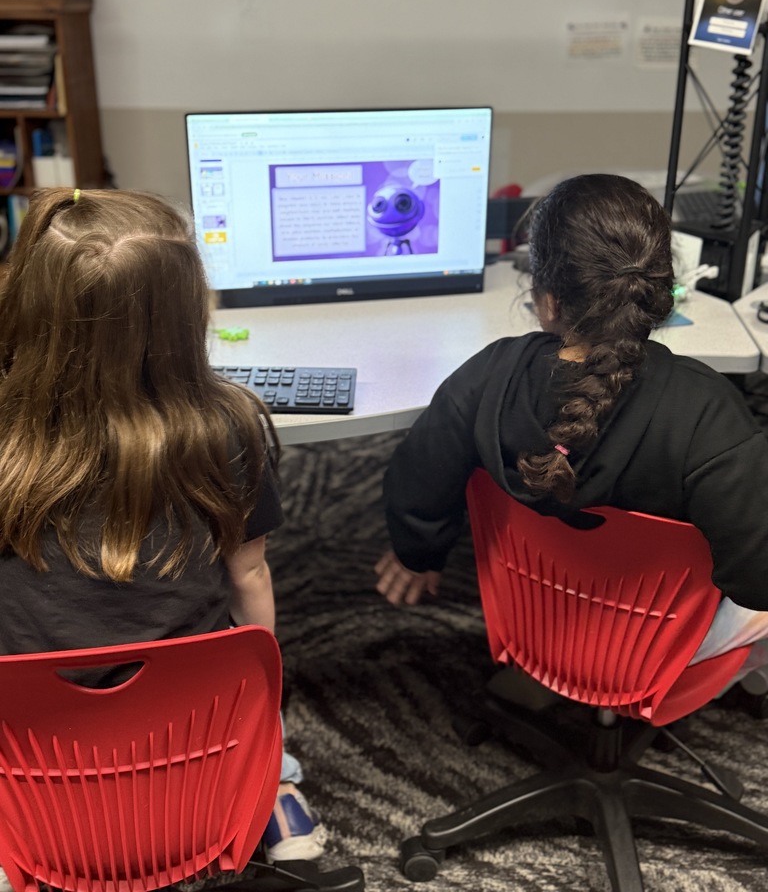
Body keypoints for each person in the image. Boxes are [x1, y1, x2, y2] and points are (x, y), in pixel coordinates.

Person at [0, 187, 323, 866]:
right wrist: (266, 696)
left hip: (34, 745)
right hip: (190, 731)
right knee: (248, 684)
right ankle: (273, 789)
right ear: (183, 314)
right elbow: (249, 577)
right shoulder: (229, 426)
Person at [375, 173, 768, 684]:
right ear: (657, 294)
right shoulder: (709, 412)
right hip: (658, 649)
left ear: (549, 302)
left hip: (529, 620)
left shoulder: (488, 374)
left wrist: (416, 555)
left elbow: (420, 474)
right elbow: (756, 579)